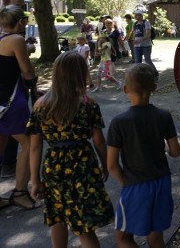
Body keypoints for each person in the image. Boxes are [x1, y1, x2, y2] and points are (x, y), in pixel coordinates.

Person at [26, 51, 114, 247]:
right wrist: (106, 165)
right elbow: (99, 141)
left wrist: (35, 181)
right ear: (81, 74)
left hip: (54, 168)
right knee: (85, 227)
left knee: (57, 218)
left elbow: (35, 147)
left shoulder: (41, 106)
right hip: (83, 166)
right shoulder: (88, 105)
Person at [107, 63, 180, 248]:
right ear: (154, 88)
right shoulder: (164, 116)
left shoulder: (119, 123)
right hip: (162, 182)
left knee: (123, 237)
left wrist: (125, 182)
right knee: (156, 238)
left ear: (125, 89)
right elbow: (176, 152)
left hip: (136, 185)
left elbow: (111, 165)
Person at [0, 5, 41, 210]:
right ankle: (20, 192)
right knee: (29, 143)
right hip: (11, 101)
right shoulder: (16, 40)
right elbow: (27, 71)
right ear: (20, 22)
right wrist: (36, 91)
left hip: (1, 102)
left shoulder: (2, 40)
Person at [132, 10, 159, 81]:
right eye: (135, 15)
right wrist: (134, 40)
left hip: (146, 45)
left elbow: (148, 34)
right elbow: (134, 34)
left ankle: (155, 74)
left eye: (137, 15)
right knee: (137, 62)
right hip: (137, 46)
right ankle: (139, 77)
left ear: (141, 15)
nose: (136, 16)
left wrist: (140, 40)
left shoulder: (146, 23)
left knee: (148, 60)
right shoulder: (134, 24)